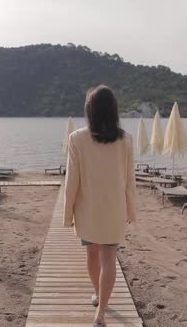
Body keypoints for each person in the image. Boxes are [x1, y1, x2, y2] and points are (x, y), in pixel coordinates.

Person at [63, 85, 136, 327]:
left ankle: (97, 294)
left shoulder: (76, 138)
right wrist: (131, 210)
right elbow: (129, 180)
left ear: (90, 111)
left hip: (87, 211)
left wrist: (67, 214)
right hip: (114, 210)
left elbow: (71, 181)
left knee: (92, 254)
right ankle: (101, 313)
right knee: (109, 259)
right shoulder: (126, 139)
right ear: (113, 110)